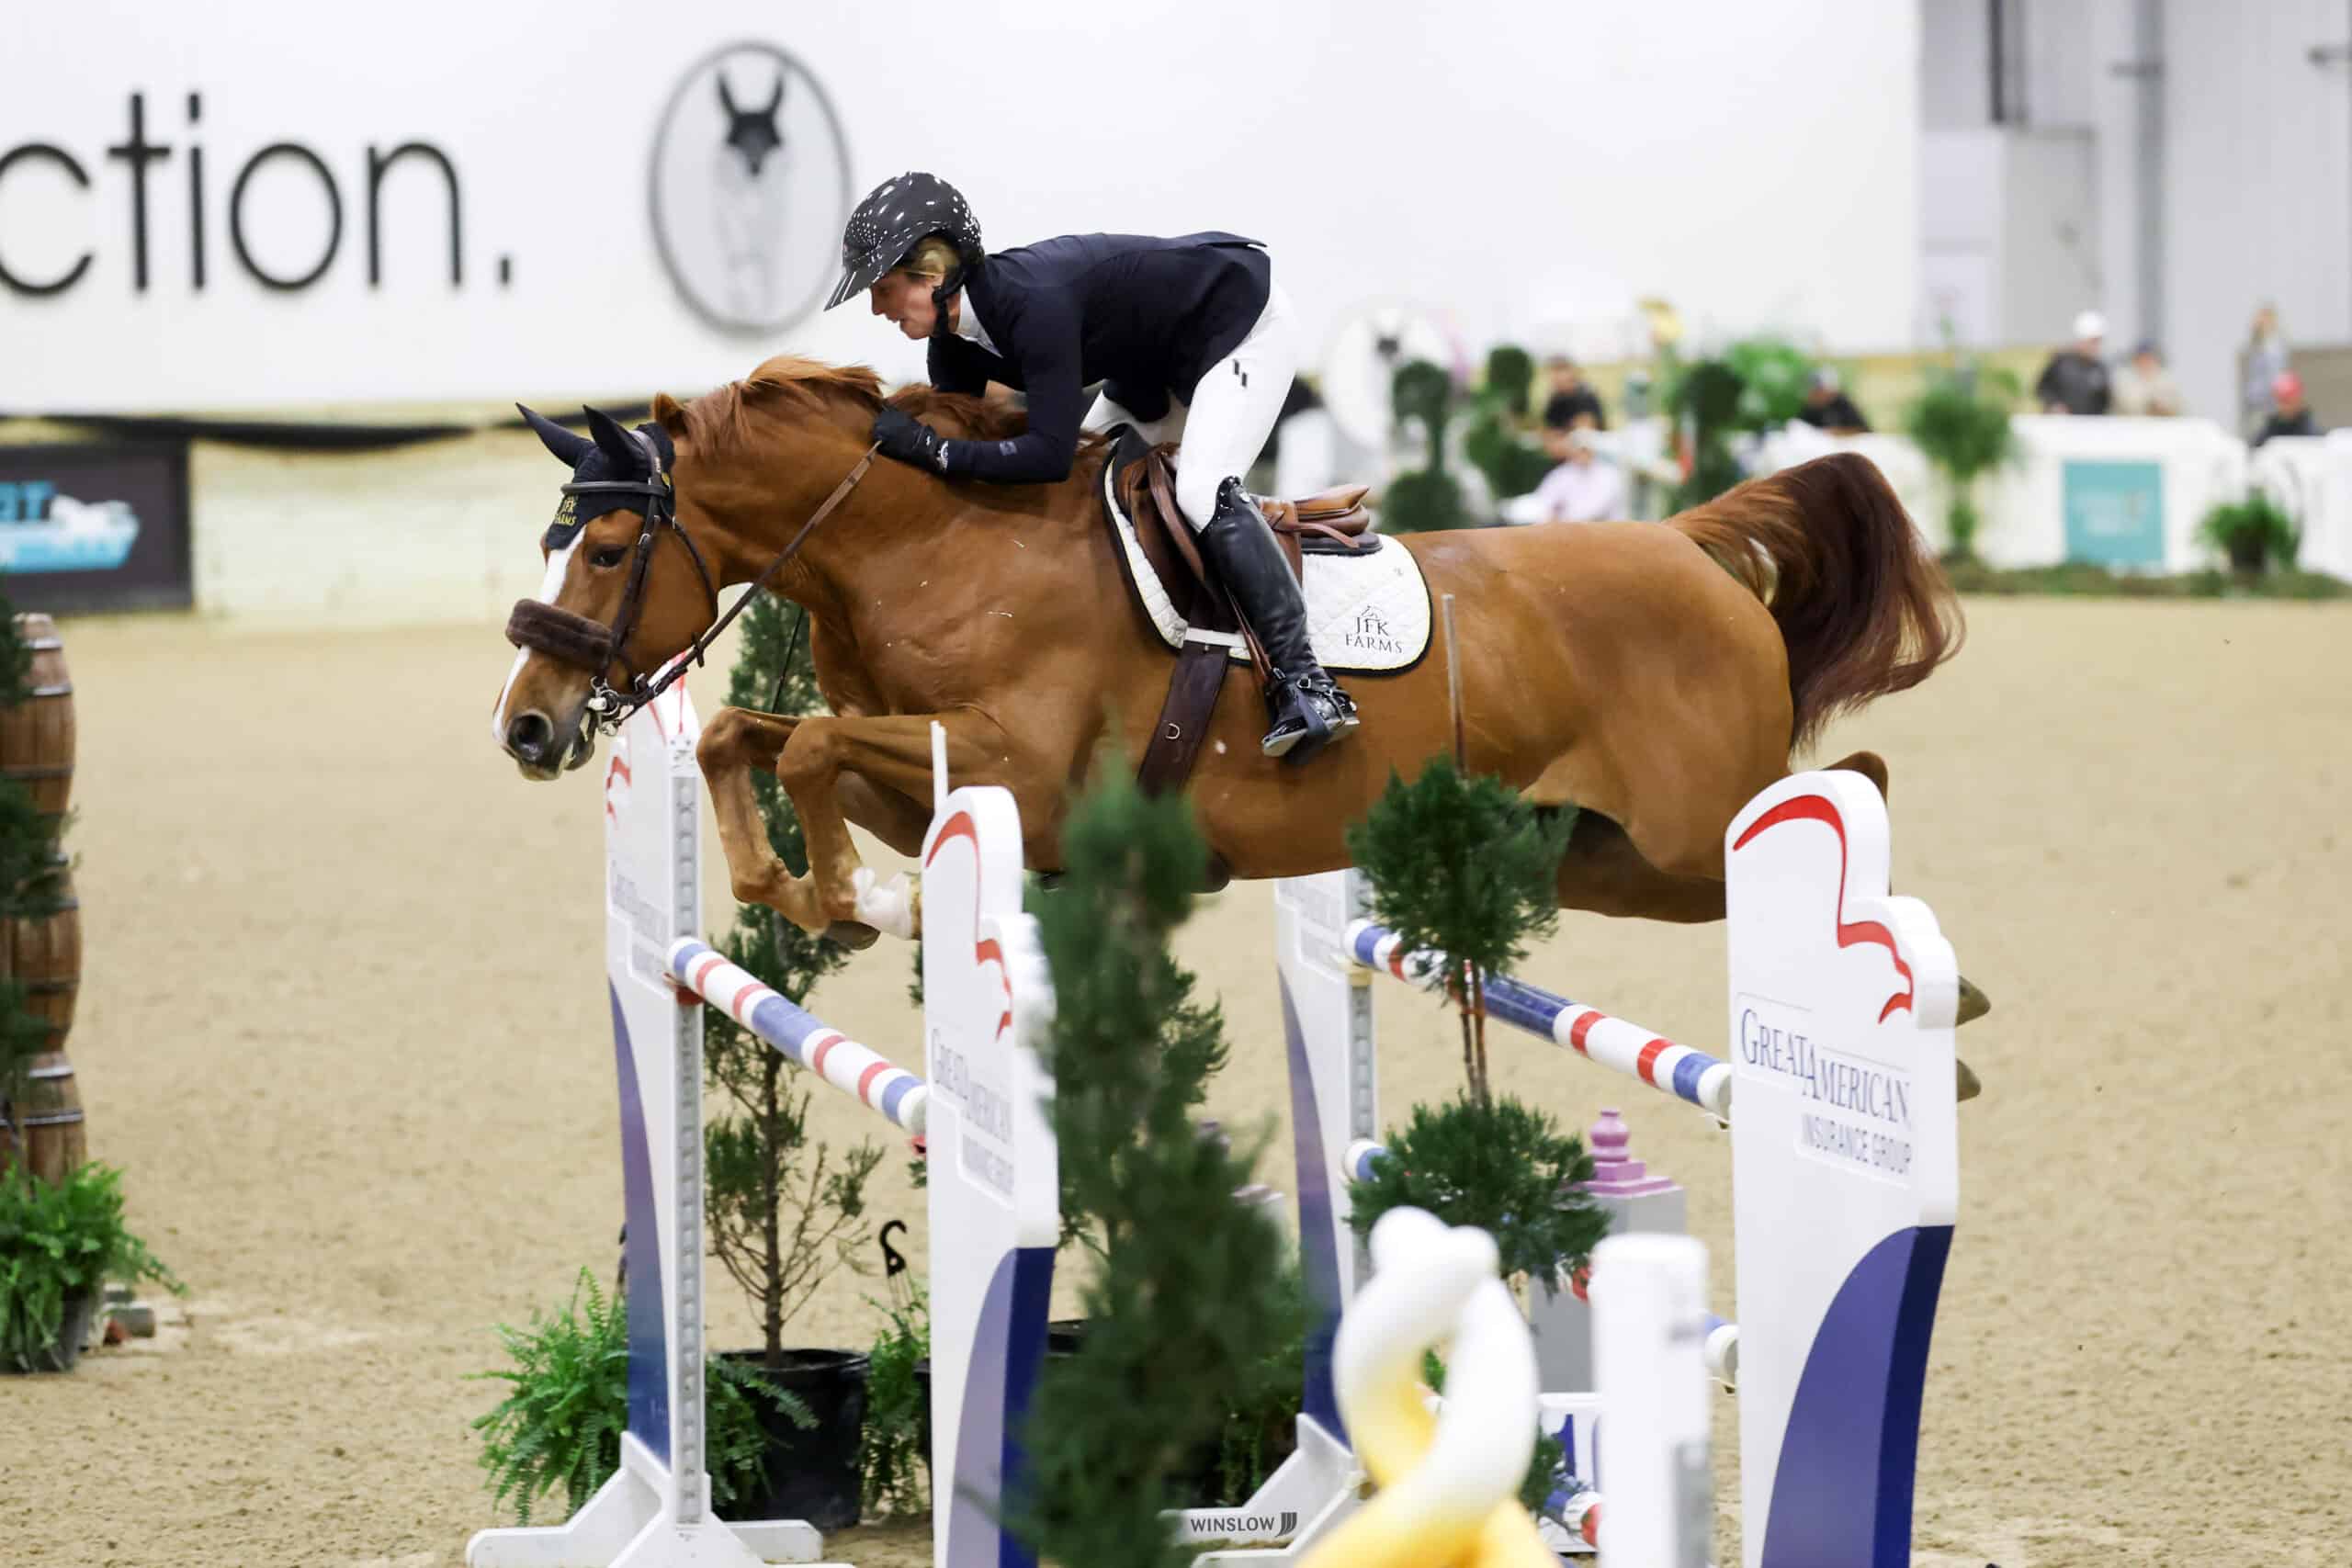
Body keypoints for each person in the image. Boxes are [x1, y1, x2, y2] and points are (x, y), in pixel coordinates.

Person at [824, 173, 1356, 763]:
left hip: (1239, 329)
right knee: (1086, 488)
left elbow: (1044, 456)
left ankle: (1308, 683)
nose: (876, 307)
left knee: (1201, 492)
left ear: (934, 272)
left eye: (883, 287)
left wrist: (930, 449)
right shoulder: (952, 342)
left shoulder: (1032, 305)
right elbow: (975, 462)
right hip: (1154, 366)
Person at [1521, 428, 1626, 523]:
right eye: (1579, 449)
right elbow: (1543, 502)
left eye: (1585, 449)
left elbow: (1597, 510)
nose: (1582, 454)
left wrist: (1563, 519)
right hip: (1567, 532)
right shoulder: (1561, 474)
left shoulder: (1609, 475)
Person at [2034, 310, 2112, 415]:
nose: (2095, 346)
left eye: (2098, 342)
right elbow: (2042, 389)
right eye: (2092, 341)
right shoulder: (2061, 362)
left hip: (2089, 426)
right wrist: (2054, 404)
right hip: (2061, 424)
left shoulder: (2100, 368)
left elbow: (2104, 403)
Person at [2241, 303, 2292, 438]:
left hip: (2267, 407)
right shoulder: (2258, 345)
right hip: (2256, 404)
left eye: (2261, 318)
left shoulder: (2273, 347)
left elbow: (2275, 379)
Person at [2111, 341, 2185, 416]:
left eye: (2149, 357)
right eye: (2142, 357)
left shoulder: (2164, 377)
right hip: (2131, 424)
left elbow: (2176, 402)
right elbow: (2126, 402)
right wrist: (2150, 404)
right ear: (2135, 359)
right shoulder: (2125, 376)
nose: (2145, 361)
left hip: (2161, 424)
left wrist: (2163, 406)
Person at [1539, 355, 1607, 431]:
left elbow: (1588, 426)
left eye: (1559, 371)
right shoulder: (1555, 399)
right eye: (1552, 373)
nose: (1554, 378)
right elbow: (1548, 426)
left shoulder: (1586, 395)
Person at [2252, 370, 2319, 446]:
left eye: (2288, 400)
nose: (2285, 407)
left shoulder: (2312, 433)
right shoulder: (2267, 432)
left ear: (2298, 400)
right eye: (2281, 400)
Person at [1796, 367, 1870, 434]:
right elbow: (1801, 428)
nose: (1815, 395)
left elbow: (1862, 429)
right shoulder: (1811, 408)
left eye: (1819, 391)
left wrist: (1834, 432)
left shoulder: (1843, 404)